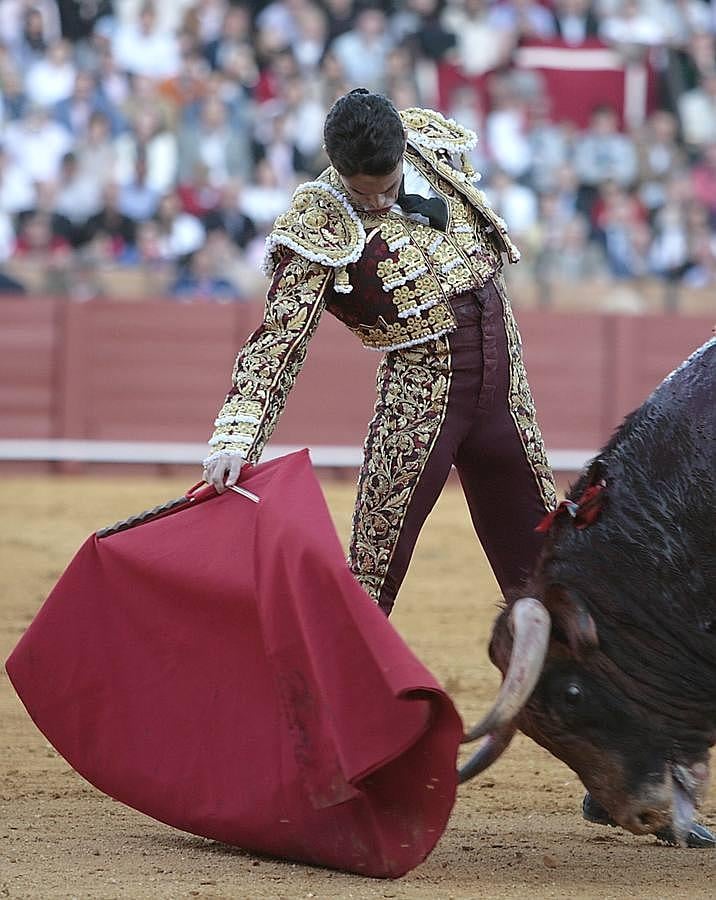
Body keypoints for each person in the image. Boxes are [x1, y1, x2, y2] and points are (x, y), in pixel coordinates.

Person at [204, 88, 556, 618]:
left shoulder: (427, 149)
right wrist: (236, 437)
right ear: (336, 167)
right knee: (370, 576)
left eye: (388, 188)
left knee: (549, 568)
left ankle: (571, 697)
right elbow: (279, 339)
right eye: (361, 193)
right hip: (423, 402)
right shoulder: (318, 222)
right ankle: (335, 697)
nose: (377, 204)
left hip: (505, 390)